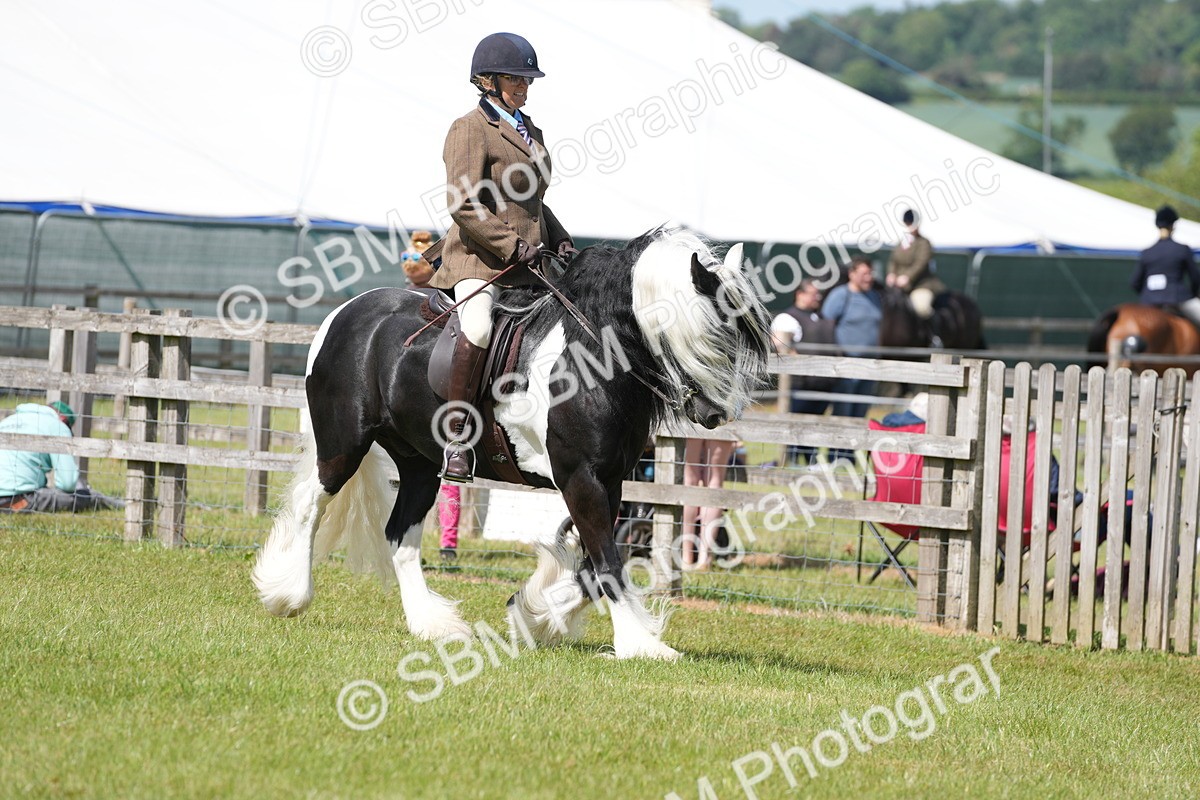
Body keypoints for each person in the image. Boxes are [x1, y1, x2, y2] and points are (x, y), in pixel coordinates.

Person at [427, 32, 574, 484]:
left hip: (531, 266)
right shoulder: (470, 128)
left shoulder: (532, 131)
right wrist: (512, 246)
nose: (523, 86)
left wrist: (560, 237)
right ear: (487, 81)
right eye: (514, 78)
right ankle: (457, 438)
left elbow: (532, 202)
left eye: (527, 79)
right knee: (477, 325)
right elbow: (464, 203)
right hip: (481, 264)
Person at [0, 401, 123, 512]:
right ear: (64, 420)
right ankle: (124, 506)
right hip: (19, 499)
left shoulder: (8, 421)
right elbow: (67, 483)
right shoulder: (58, 426)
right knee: (91, 497)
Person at [821, 257, 883, 462]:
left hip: (870, 365)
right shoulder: (840, 296)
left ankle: (850, 457)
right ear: (852, 274)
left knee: (860, 413)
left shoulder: (874, 296)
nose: (869, 277)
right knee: (843, 412)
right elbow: (826, 325)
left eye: (870, 273)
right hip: (846, 364)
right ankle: (836, 456)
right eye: (864, 273)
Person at [770, 278, 837, 464]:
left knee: (814, 424)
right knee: (797, 422)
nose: (818, 297)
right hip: (801, 382)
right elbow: (777, 342)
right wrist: (795, 357)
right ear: (800, 294)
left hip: (822, 383)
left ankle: (810, 461)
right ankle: (789, 460)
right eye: (813, 293)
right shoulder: (787, 318)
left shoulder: (820, 316)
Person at [1130, 204, 1200, 327]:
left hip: (1149, 300)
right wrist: (1193, 294)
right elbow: (1195, 278)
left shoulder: (1147, 252)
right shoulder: (1182, 249)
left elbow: (1135, 283)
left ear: (1157, 225)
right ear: (1173, 226)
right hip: (1178, 298)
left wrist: (1149, 295)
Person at [681, 438, 736, 570]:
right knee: (715, 482)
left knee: (689, 482)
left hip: (690, 419)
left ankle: (686, 557)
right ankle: (704, 558)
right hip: (723, 420)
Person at [886, 208, 944, 320]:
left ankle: (932, 335)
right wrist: (891, 273)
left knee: (921, 308)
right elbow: (894, 260)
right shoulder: (901, 243)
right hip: (899, 286)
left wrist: (907, 277)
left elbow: (920, 264)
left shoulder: (924, 243)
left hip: (920, 285)